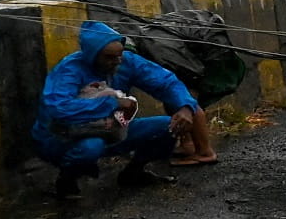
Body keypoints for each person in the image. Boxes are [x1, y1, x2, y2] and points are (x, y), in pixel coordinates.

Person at [33, 20, 202, 199]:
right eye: (109, 57)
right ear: (92, 55)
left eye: (119, 54)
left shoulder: (126, 62)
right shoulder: (69, 70)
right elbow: (59, 107)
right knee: (92, 147)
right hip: (65, 136)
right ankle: (67, 179)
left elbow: (165, 82)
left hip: (112, 129)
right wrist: (111, 103)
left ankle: (134, 171)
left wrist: (184, 106)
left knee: (168, 127)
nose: (117, 61)